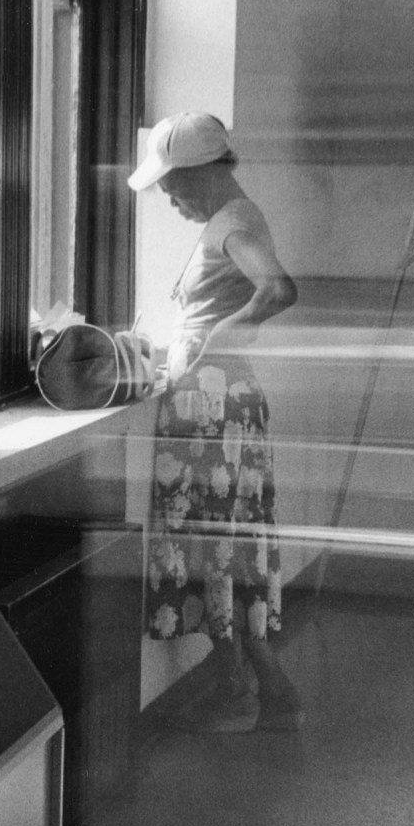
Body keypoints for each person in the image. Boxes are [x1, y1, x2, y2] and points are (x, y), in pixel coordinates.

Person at [131, 112, 303, 733]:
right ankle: (272, 685)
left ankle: (236, 694)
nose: (168, 197)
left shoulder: (230, 223)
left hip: (211, 410)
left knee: (211, 549)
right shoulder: (236, 216)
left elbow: (278, 289)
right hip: (228, 405)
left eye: (172, 184)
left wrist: (216, 340)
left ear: (200, 172)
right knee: (232, 546)